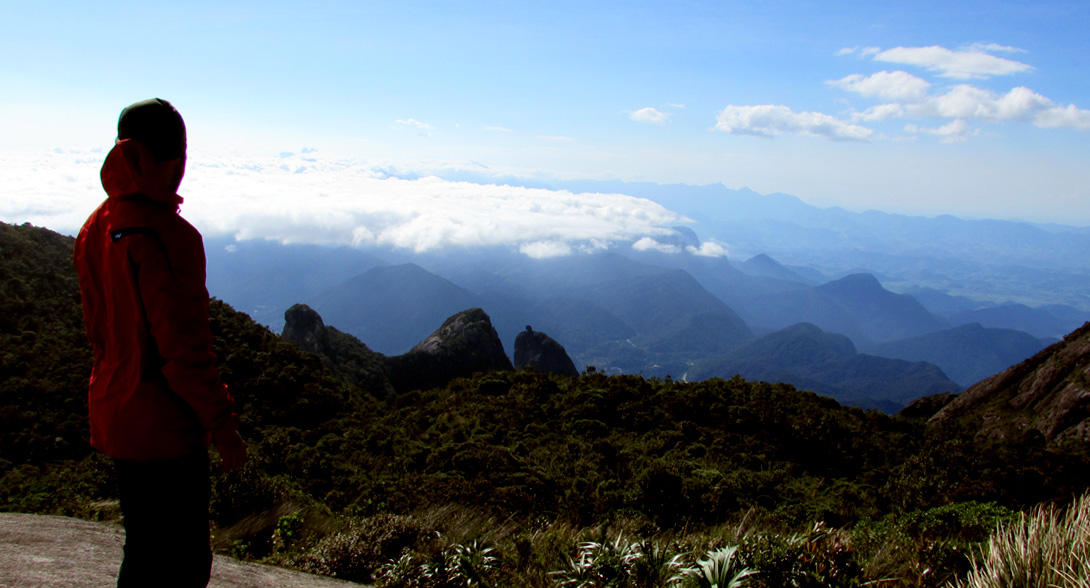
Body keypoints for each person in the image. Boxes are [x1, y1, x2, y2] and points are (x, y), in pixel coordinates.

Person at [73, 98, 247, 588]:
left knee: (145, 550)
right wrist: (223, 426)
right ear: (176, 158)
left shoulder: (95, 227)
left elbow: (99, 332)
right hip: (164, 429)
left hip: (115, 414)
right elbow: (184, 351)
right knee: (184, 562)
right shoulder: (169, 236)